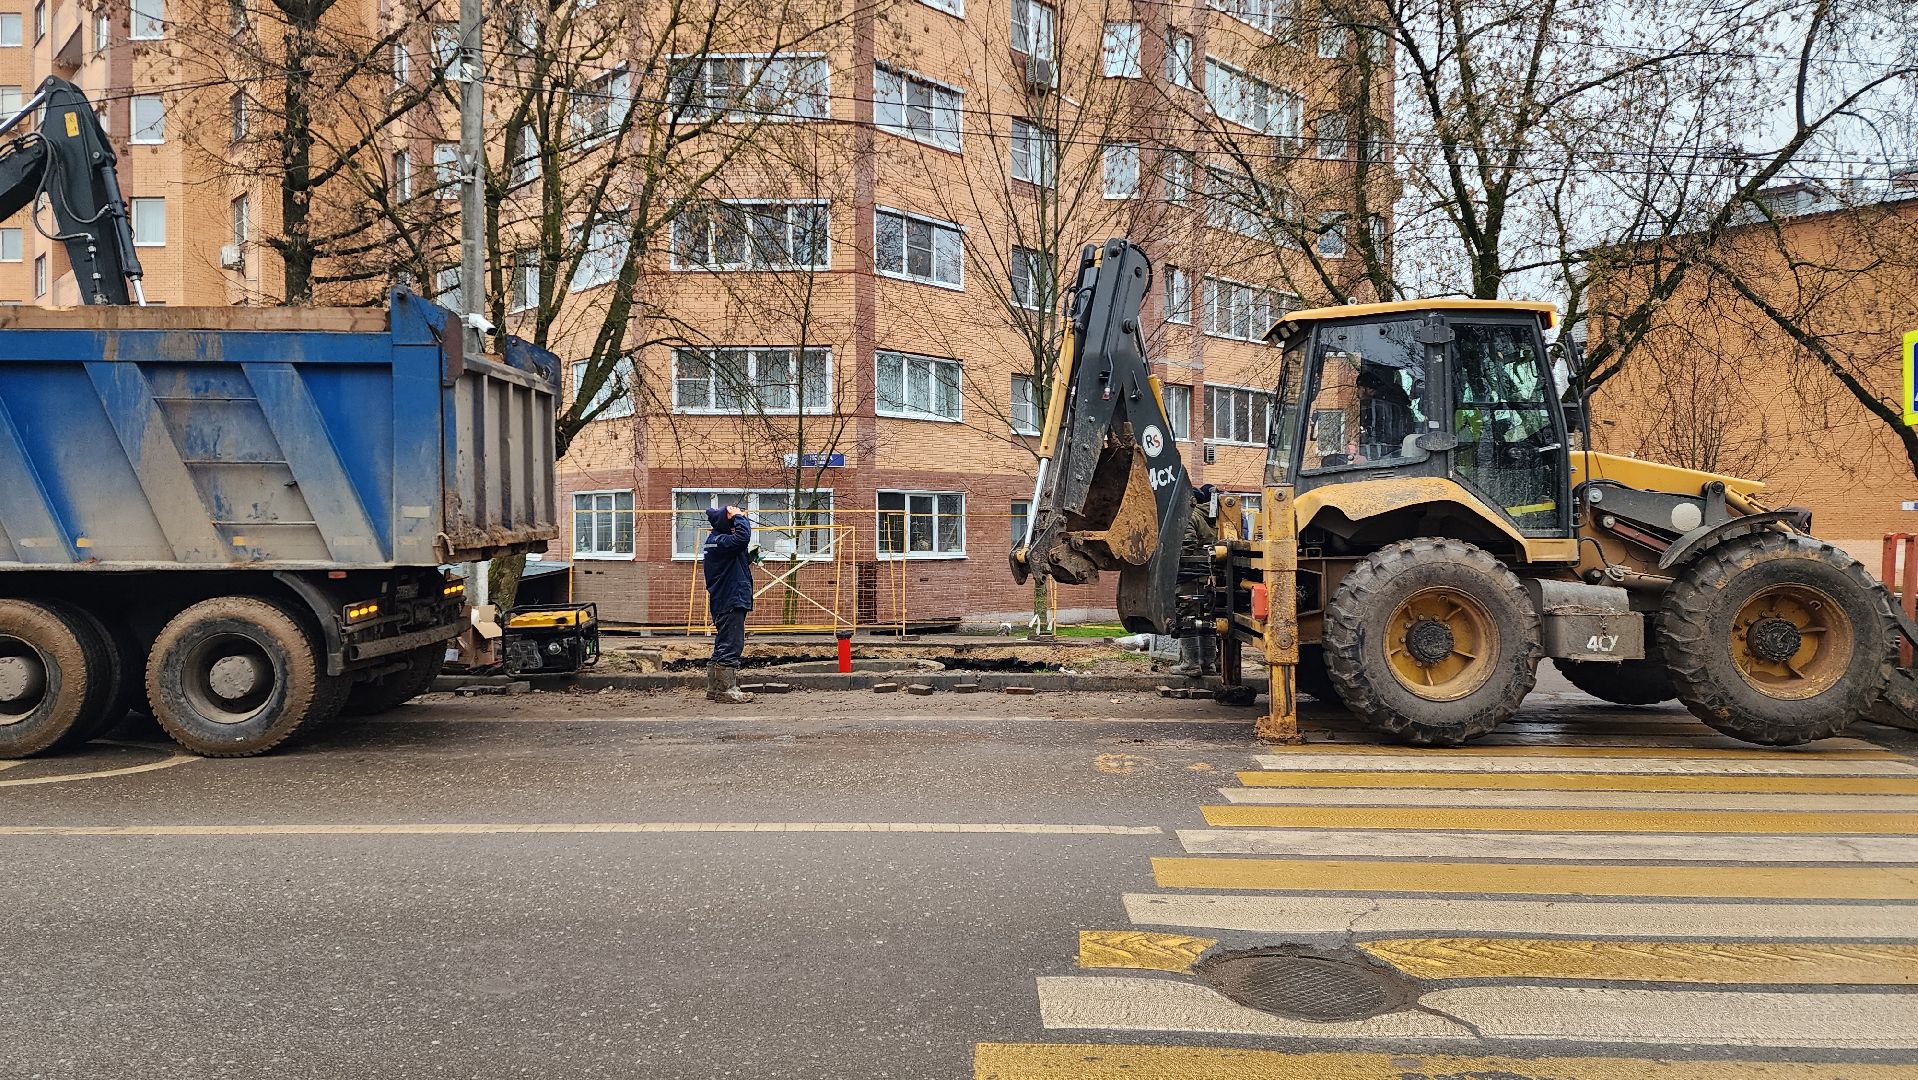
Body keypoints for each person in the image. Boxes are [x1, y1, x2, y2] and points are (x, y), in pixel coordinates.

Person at [702, 505, 755, 704]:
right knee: (732, 644)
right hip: (730, 598)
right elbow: (742, 539)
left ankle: (714, 688)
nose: (735, 527)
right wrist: (739, 517)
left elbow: (739, 550)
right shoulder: (719, 541)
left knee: (724, 643)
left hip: (726, 598)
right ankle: (726, 690)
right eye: (732, 522)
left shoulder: (718, 542)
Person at [1168, 485, 1219, 678]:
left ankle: (1190, 664)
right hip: (1211, 578)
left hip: (1189, 577)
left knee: (1187, 617)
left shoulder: (1191, 515)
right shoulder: (1218, 517)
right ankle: (1208, 664)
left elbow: (1186, 545)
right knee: (1207, 619)